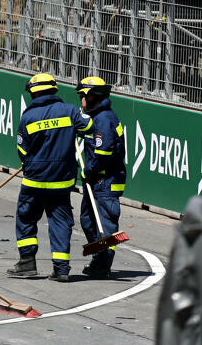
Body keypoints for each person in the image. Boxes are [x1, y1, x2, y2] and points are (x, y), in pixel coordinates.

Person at [7, 73, 91, 283]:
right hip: (61, 181)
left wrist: (29, 161)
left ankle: (27, 263)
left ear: (33, 93)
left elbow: (21, 149)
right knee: (60, 222)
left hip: (34, 180)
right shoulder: (70, 111)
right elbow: (89, 127)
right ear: (54, 90)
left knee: (26, 219)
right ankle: (61, 269)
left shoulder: (28, 116)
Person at [75, 77, 126, 279]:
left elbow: (103, 153)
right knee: (87, 220)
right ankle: (99, 257)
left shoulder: (104, 119)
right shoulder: (99, 117)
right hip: (96, 180)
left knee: (105, 225)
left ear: (91, 96)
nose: (81, 101)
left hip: (105, 181)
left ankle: (103, 263)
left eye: (82, 96)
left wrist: (89, 170)